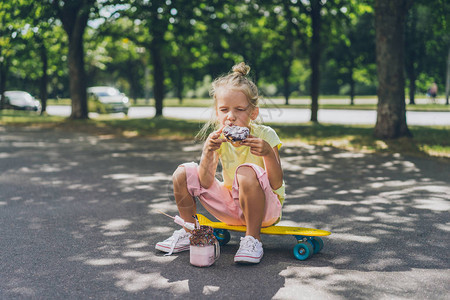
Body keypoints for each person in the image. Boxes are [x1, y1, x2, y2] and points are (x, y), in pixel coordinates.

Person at [155, 62, 285, 264]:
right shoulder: (218, 137)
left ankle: (253, 239)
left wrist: (267, 152)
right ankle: (190, 231)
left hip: (266, 210)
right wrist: (208, 152)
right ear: (217, 112)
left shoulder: (266, 135)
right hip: (231, 208)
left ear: (253, 113)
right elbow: (205, 183)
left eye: (239, 109)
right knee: (183, 172)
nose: (230, 117)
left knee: (246, 171)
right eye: (224, 109)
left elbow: (276, 184)